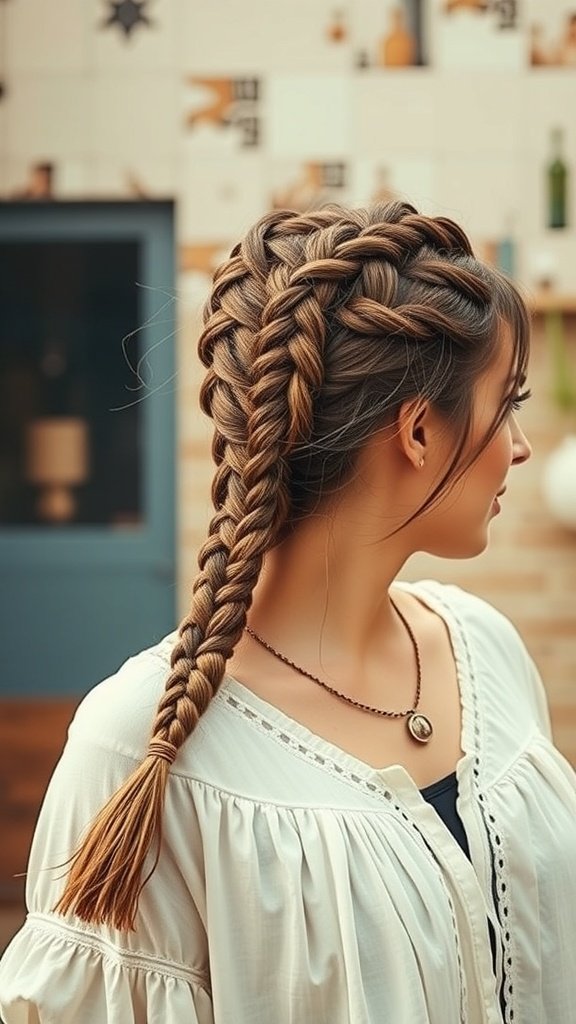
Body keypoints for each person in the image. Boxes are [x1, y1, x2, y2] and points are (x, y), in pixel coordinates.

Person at [1, 201, 575, 1023]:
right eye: (505, 404)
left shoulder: (485, 648)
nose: (518, 446)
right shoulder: (137, 747)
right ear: (417, 432)